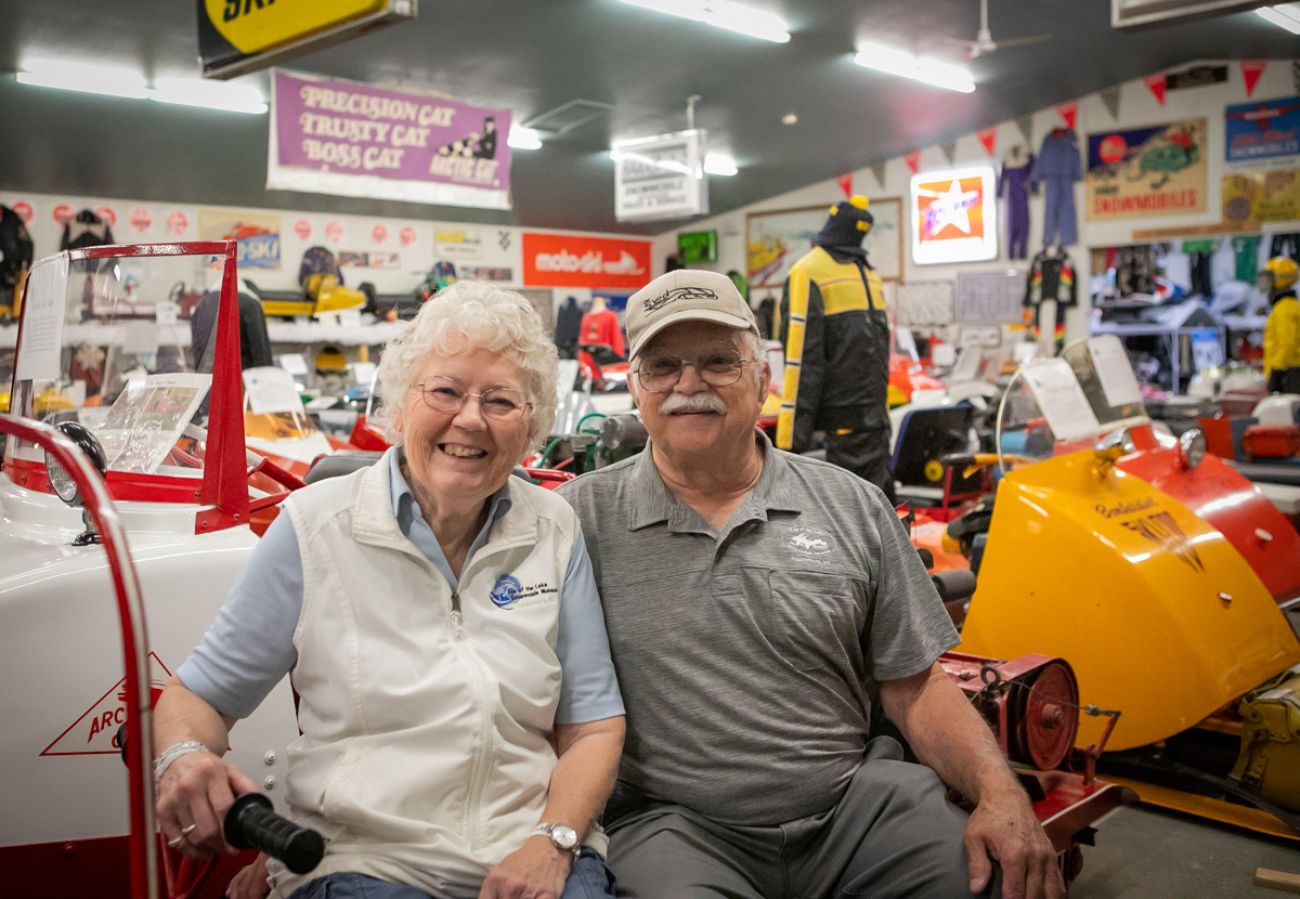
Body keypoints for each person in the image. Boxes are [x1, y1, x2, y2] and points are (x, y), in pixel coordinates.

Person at [557, 269, 1062, 899]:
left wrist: (1000, 793)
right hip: (674, 826)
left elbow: (914, 684)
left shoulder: (852, 504)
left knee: (989, 881)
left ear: (763, 379)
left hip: (855, 808)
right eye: (662, 366)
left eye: (719, 361)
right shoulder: (576, 520)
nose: (690, 384)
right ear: (635, 387)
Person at [154, 281, 626, 899]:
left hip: (531, 847)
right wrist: (183, 755)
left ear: (531, 425)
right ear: (401, 405)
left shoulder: (553, 526)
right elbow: (199, 698)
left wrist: (554, 839)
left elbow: (594, 726)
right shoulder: (314, 526)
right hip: (362, 860)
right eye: (446, 391)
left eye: (501, 400)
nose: (470, 418)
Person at [777, 196, 895, 501]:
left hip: (869, 432)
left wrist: (790, 443)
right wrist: (791, 443)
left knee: (877, 526)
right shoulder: (819, 272)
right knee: (862, 527)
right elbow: (803, 360)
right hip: (853, 432)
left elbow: (804, 360)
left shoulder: (861, 273)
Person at [1261, 256, 1300, 394]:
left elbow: (1286, 345)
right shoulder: (1289, 306)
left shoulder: (1283, 309)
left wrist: (1276, 374)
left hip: (1290, 376)